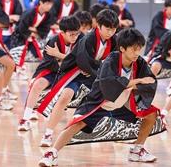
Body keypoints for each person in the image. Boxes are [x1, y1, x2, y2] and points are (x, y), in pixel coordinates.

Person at [39, 28, 159, 166]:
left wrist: (130, 84)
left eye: (139, 49)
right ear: (122, 48)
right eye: (134, 49)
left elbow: (150, 82)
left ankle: (137, 150)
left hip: (122, 103)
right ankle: (52, 153)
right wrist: (137, 81)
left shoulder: (140, 62)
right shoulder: (111, 60)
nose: (137, 53)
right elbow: (109, 83)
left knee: (152, 113)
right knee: (76, 123)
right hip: (99, 102)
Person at [35, 9, 118, 148]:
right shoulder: (88, 38)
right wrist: (99, 68)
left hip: (95, 74)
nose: (110, 32)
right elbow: (83, 61)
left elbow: (112, 60)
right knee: (65, 97)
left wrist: (101, 70)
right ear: (98, 25)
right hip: (77, 72)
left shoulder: (114, 41)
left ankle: (113, 130)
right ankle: (48, 134)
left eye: (114, 29)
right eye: (108, 28)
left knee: (112, 98)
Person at [18, 16, 81, 130]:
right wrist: (67, 61)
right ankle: (25, 118)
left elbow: (80, 61)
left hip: (72, 73)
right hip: (52, 70)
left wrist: (59, 56)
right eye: (71, 34)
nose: (75, 37)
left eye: (77, 33)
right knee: (37, 84)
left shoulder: (81, 39)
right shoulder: (53, 41)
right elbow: (50, 63)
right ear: (62, 32)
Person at [9, 0, 56, 69]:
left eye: (51, 4)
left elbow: (45, 30)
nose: (49, 6)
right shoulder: (29, 13)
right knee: (18, 55)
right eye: (47, 3)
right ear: (41, 2)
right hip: (20, 37)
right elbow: (21, 28)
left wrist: (31, 29)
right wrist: (33, 32)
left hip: (35, 37)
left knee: (40, 55)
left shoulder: (48, 15)